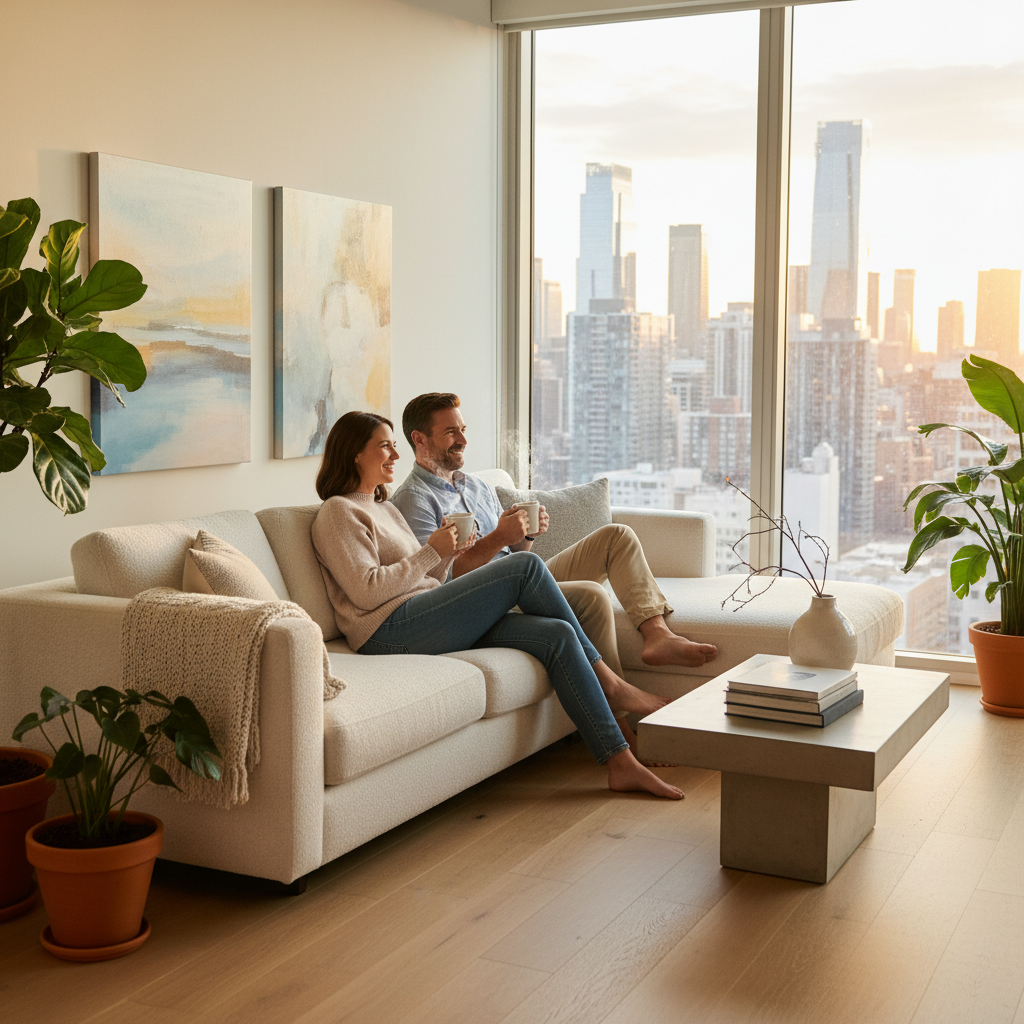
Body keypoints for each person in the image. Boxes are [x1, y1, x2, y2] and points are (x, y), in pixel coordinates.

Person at [311, 410, 683, 799]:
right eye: (385, 446)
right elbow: (367, 591)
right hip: (386, 631)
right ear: (355, 453)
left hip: (423, 614)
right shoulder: (339, 511)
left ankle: (620, 763)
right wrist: (431, 552)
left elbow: (429, 579)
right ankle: (609, 681)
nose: (395, 454)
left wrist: (449, 553)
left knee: (556, 634)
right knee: (525, 567)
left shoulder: (384, 507)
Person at [390, 393, 718, 678]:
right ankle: (617, 714)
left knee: (617, 537)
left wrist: (524, 536)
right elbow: (440, 584)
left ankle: (657, 634)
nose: (463, 439)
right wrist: (499, 538)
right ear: (420, 439)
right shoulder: (413, 500)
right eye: (451, 432)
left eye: (463, 429)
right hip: (486, 600)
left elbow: (514, 554)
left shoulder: (476, 485)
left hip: (525, 581)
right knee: (592, 595)